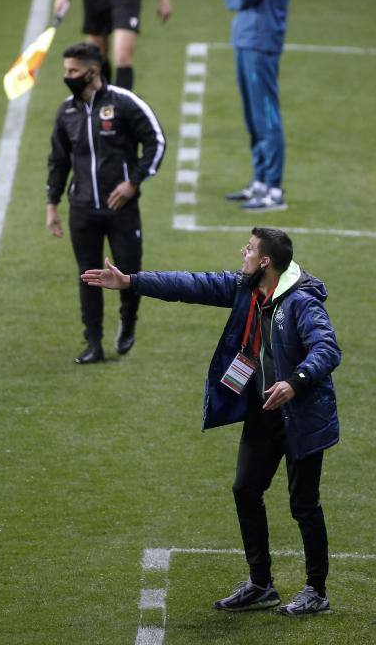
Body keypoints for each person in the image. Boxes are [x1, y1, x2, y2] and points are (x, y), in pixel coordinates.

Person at [81, 227, 341, 614]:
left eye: (250, 249)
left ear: (265, 261)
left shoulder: (302, 302)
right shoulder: (247, 288)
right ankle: (260, 583)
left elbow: (327, 348)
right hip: (265, 411)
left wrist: (295, 382)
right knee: (245, 490)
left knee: (304, 504)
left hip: (301, 416)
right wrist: (131, 282)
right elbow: (191, 285)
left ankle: (316, 591)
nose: (244, 252)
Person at [46, 42, 166, 364]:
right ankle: (93, 343)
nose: (67, 76)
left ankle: (128, 319)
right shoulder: (66, 112)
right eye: (66, 70)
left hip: (120, 208)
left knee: (129, 270)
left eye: (73, 71)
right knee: (88, 275)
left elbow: (156, 140)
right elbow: (58, 160)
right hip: (82, 209)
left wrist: (134, 182)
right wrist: (52, 204)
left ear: (93, 71)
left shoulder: (124, 103)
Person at [224, 0, 297, 211]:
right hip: (245, 40)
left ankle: (274, 189)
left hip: (261, 43)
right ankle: (260, 181)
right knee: (253, 117)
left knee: (267, 116)